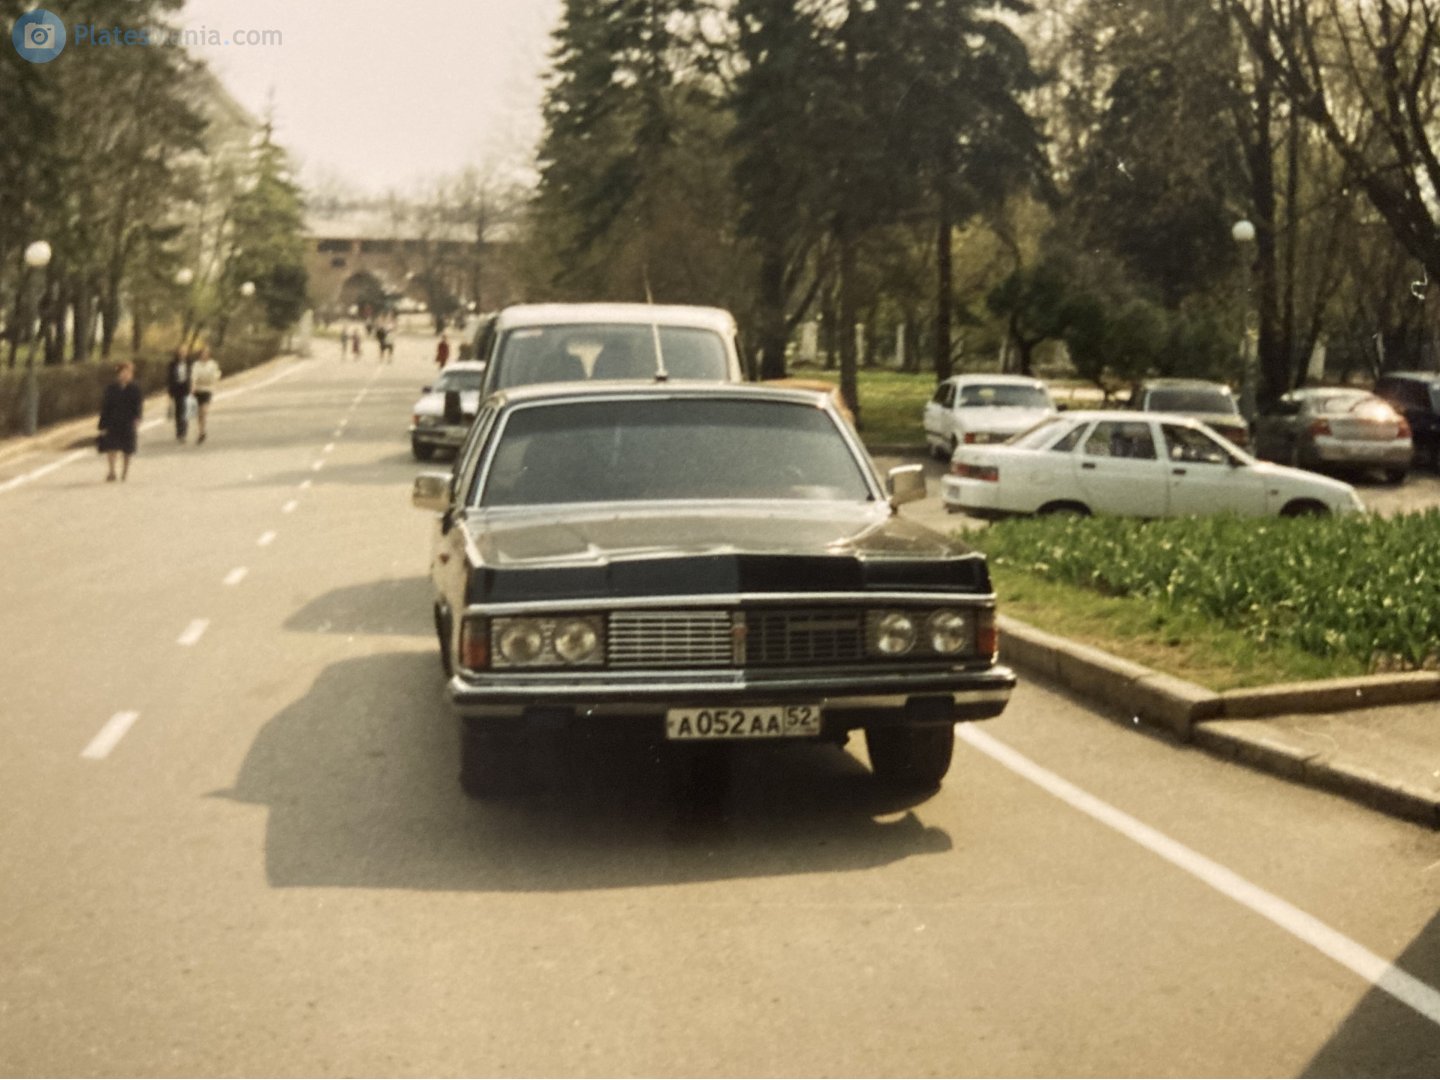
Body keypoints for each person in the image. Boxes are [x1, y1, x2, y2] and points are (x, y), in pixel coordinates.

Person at [98, 360, 143, 482]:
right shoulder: (111, 389)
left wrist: (137, 418)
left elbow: (138, 406)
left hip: (128, 421)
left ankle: (125, 471)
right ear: (118, 374)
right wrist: (102, 424)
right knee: (111, 447)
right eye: (123, 372)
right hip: (112, 421)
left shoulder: (135, 389)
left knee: (128, 449)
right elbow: (105, 406)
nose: (126, 375)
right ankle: (112, 471)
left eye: (129, 373)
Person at [189, 345, 222, 444]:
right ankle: (201, 431)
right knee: (199, 413)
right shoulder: (196, 364)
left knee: (204, 411)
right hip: (198, 389)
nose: (204, 355)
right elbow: (193, 375)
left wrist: (215, 379)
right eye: (203, 353)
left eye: (206, 353)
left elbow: (217, 374)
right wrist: (193, 386)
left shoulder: (213, 364)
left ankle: (202, 429)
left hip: (207, 389)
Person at [166, 347, 192, 442]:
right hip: (176, 389)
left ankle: (183, 432)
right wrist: (169, 391)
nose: (182, 354)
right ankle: (179, 431)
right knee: (178, 411)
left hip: (186, 389)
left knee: (184, 410)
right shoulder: (172, 364)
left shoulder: (189, 363)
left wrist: (192, 387)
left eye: (184, 352)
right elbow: (169, 378)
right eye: (180, 352)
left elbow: (192, 376)